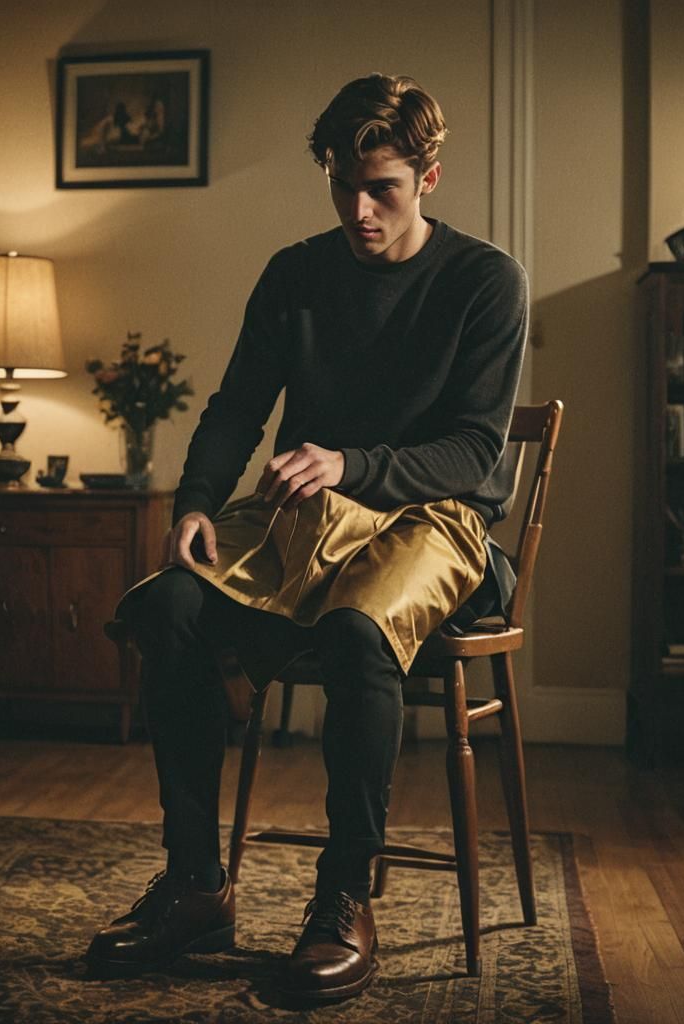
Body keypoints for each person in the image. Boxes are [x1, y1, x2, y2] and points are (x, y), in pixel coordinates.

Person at [86, 72, 528, 1003]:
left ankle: (342, 899)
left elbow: (474, 451)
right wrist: (196, 504)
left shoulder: (487, 280)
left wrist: (350, 463)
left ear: (429, 178)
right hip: (300, 512)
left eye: (383, 189)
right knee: (167, 606)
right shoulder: (295, 273)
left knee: (358, 630)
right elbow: (236, 408)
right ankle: (195, 887)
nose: (359, 211)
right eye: (342, 186)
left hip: (433, 516)